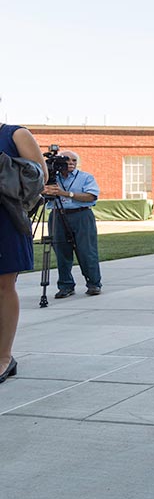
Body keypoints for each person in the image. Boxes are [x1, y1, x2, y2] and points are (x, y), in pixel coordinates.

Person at [0, 123, 46, 384]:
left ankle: (4, 357)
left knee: (3, 286)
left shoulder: (15, 134)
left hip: (6, 218)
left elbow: (40, 177)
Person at [41, 151, 102, 298]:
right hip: (57, 216)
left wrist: (66, 194)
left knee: (87, 251)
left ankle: (94, 284)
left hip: (81, 215)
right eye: (67, 160)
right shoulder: (50, 178)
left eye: (74, 160)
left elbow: (91, 196)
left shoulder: (85, 177)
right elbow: (40, 196)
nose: (71, 163)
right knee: (61, 252)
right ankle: (65, 286)